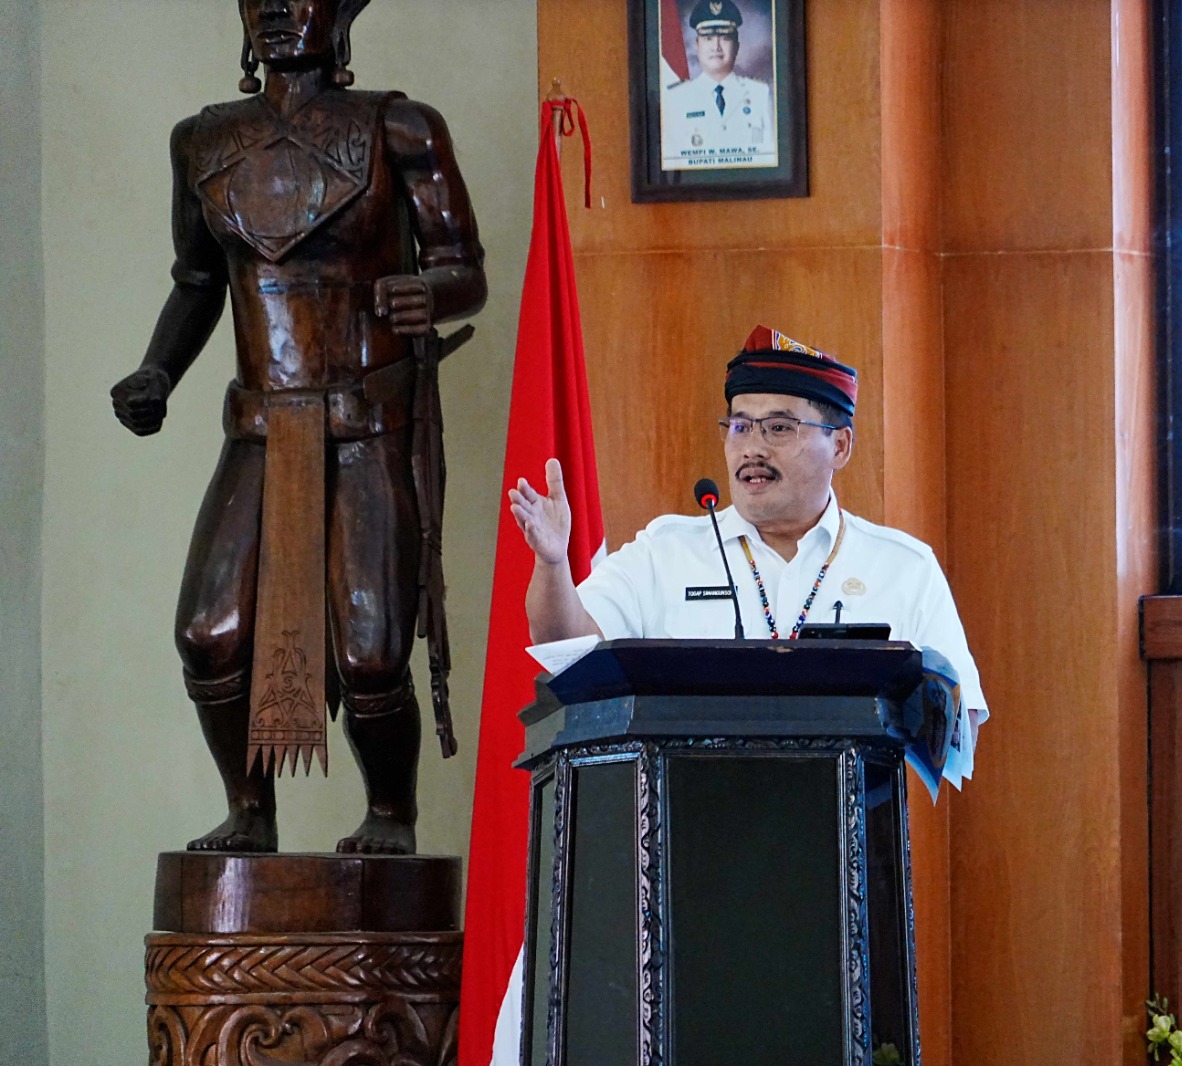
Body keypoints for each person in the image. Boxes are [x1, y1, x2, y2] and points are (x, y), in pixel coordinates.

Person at [108, 0, 486, 854]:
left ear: (343, 9)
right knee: (209, 634)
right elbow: (198, 281)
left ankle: (390, 815)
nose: (278, 10)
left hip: (365, 423)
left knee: (372, 654)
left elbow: (463, 266)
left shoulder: (400, 129)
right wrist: (157, 371)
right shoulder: (202, 142)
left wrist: (434, 292)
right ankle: (251, 809)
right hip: (259, 425)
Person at [508, 325, 989, 765]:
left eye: (778, 428)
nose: (752, 448)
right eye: (739, 426)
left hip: (849, 822)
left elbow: (959, 728)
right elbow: (565, 646)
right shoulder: (665, 552)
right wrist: (553, 564)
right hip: (686, 818)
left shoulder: (902, 567)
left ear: (840, 446)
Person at [660, 0, 777, 169]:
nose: (716, 47)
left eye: (725, 38)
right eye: (708, 38)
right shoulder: (676, 99)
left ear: (736, 45)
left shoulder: (760, 94)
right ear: (697, 45)